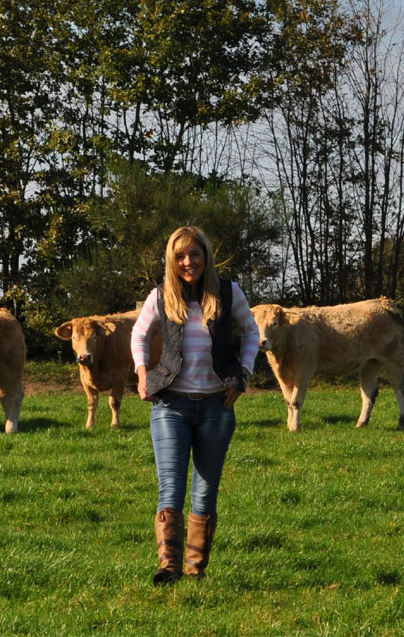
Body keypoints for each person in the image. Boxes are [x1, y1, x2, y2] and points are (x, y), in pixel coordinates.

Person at [130, 225, 259, 585]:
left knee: (205, 490)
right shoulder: (160, 295)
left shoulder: (229, 292)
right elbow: (139, 334)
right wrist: (142, 375)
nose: (189, 262)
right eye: (181, 256)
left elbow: (251, 333)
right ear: (172, 260)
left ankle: (195, 570)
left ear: (207, 255)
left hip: (217, 406)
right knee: (170, 487)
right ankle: (169, 568)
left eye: (195, 254)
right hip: (171, 406)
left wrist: (243, 372)